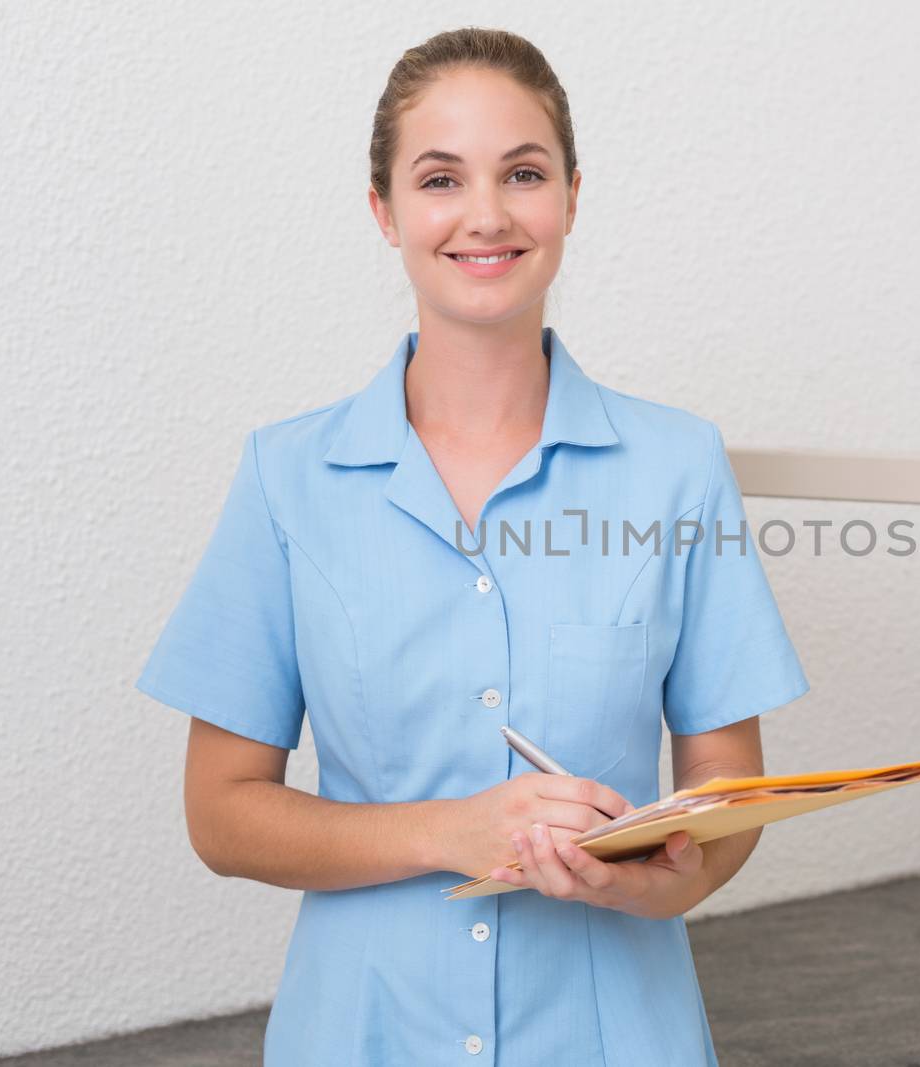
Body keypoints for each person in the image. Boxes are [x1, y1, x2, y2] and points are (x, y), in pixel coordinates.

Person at [132, 26, 810, 1067]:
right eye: (440, 178)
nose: (485, 214)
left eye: (523, 173)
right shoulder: (287, 477)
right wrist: (448, 831)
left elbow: (728, 795)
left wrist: (659, 877)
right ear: (385, 212)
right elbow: (221, 814)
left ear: (572, 198)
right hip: (359, 1032)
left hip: (616, 1030)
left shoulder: (678, 466)